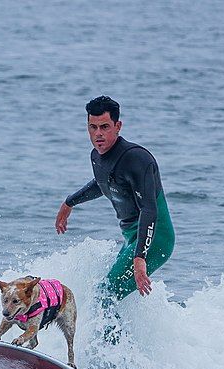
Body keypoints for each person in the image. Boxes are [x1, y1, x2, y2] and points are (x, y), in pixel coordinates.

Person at [55, 96, 175, 300]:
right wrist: (69, 203)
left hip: (155, 238)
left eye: (105, 127)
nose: (98, 134)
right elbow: (103, 184)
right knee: (109, 292)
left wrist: (140, 258)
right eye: (93, 127)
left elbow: (149, 210)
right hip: (131, 238)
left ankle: (110, 334)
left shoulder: (137, 159)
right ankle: (130, 332)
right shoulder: (97, 156)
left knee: (106, 294)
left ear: (118, 126)